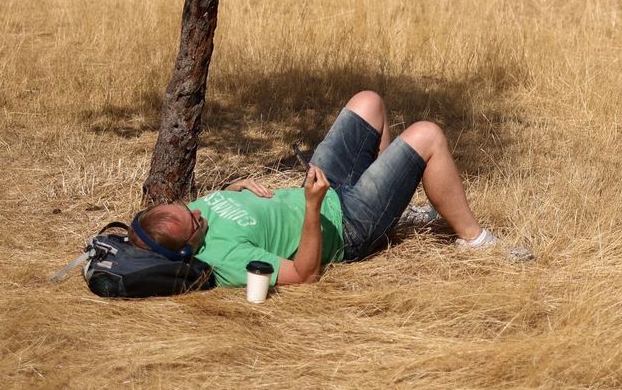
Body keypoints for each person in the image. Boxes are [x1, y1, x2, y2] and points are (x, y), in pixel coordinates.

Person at [125, 89, 525, 289]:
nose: (199, 212)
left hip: (317, 190)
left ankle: (393, 205)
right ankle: (475, 240)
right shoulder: (225, 260)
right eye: (194, 222)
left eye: (189, 208)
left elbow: (204, 208)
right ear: (186, 249)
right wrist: (313, 208)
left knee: (368, 101)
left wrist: (233, 186)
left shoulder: (184, 219)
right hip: (346, 224)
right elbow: (305, 274)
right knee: (428, 135)